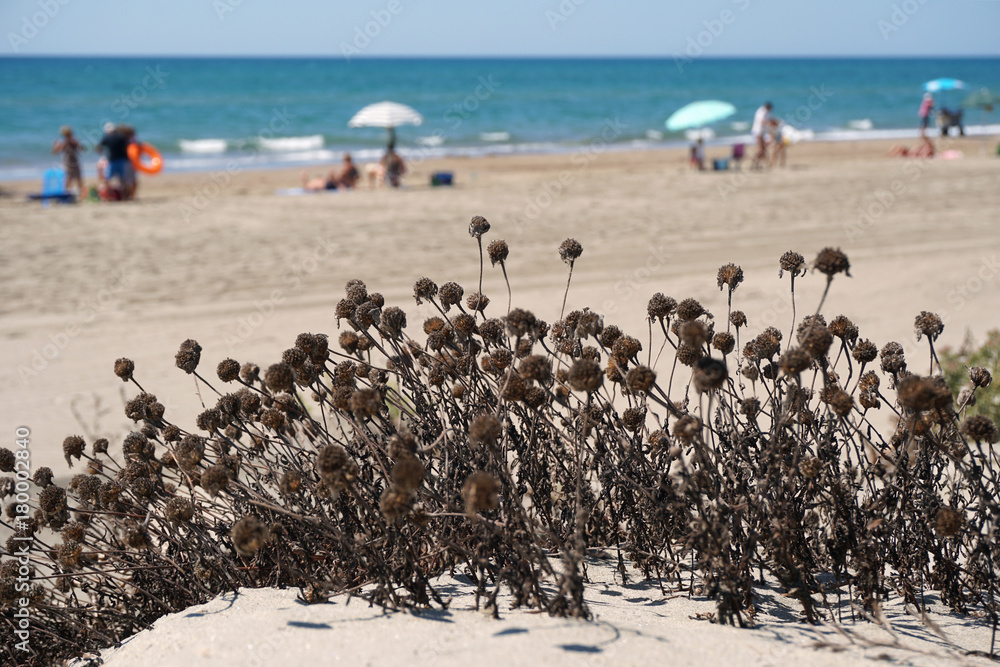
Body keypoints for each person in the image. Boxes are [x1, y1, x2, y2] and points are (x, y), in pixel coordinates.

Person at [96, 123, 135, 200]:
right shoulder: (121, 137)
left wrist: (101, 153)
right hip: (121, 160)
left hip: (112, 160)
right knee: (122, 179)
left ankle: (107, 197)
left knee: (107, 179)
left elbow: (98, 147)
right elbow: (127, 147)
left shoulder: (107, 138)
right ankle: (124, 196)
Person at [52, 126, 84, 193]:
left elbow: (82, 148)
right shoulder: (63, 142)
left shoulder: (73, 141)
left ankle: (80, 193)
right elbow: (55, 151)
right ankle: (66, 193)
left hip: (74, 161)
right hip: (68, 162)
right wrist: (61, 145)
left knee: (78, 178)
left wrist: (76, 143)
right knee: (69, 179)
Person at [751, 102, 772, 167]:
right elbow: (762, 121)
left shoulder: (765, 112)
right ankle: (756, 162)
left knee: (763, 148)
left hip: (761, 132)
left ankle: (758, 162)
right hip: (758, 132)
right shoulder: (761, 111)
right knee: (760, 149)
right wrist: (769, 124)